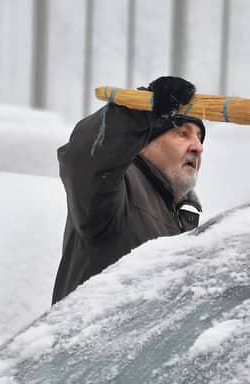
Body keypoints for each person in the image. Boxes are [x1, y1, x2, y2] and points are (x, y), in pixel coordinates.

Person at [51, 76, 206, 303]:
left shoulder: (179, 215)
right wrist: (141, 112)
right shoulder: (117, 189)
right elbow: (87, 158)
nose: (199, 147)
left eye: (200, 137)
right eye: (182, 134)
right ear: (144, 142)